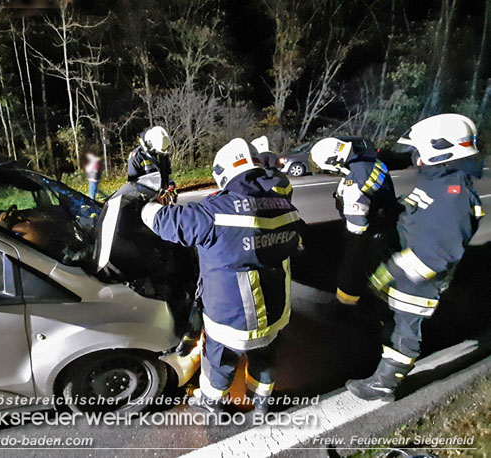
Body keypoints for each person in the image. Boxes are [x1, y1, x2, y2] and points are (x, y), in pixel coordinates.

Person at [140, 138, 302, 413]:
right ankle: (261, 400)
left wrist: (145, 206)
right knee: (264, 356)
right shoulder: (284, 204)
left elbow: (167, 222)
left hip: (231, 316)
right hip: (274, 309)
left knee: (219, 360)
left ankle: (211, 402)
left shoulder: (216, 212)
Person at [346, 114, 485, 401]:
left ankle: (384, 385)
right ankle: (379, 367)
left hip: (418, 281)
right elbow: (416, 211)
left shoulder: (452, 193)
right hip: (405, 273)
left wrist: (394, 269)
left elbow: (441, 250)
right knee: (393, 323)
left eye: (419, 151)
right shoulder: (439, 181)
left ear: (440, 149)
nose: (415, 157)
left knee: (405, 332)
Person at [309, 137, 397, 313]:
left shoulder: (354, 181)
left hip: (366, 232)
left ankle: (344, 305)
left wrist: (351, 241)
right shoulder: (369, 163)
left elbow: (357, 225)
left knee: (353, 268)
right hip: (384, 224)